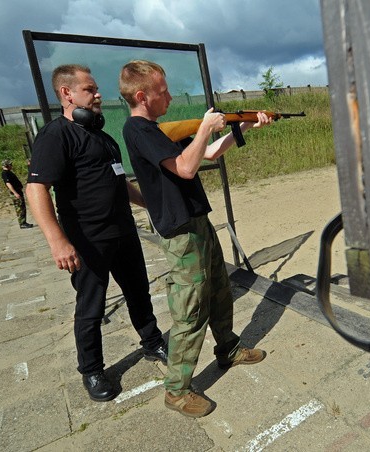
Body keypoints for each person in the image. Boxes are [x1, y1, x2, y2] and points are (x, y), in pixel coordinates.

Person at [119, 60, 272, 418]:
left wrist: (242, 127)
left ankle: (229, 350)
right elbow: (186, 169)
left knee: (219, 288)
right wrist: (205, 125)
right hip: (179, 232)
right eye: (163, 91)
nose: (170, 97)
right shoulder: (138, 130)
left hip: (197, 222)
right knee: (189, 310)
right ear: (142, 95)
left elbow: (207, 153)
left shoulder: (157, 129)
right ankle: (177, 390)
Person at [25, 64, 167, 402]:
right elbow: (36, 189)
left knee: (138, 292)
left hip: (123, 232)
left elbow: (120, 181)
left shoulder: (103, 138)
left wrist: (151, 205)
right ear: (67, 94)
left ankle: (152, 342)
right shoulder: (56, 135)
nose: (98, 94)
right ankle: (91, 370)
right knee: (91, 307)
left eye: (96, 88)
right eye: (90, 89)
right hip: (88, 241)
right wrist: (58, 241)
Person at [1, 159, 33, 229]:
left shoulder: (8, 172)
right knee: (20, 208)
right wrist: (15, 193)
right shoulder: (5, 173)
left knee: (22, 207)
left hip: (18, 191)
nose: (11, 165)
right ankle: (22, 223)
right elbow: (8, 184)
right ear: (6, 165)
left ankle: (23, 222)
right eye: (10, 164)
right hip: (15, 192)